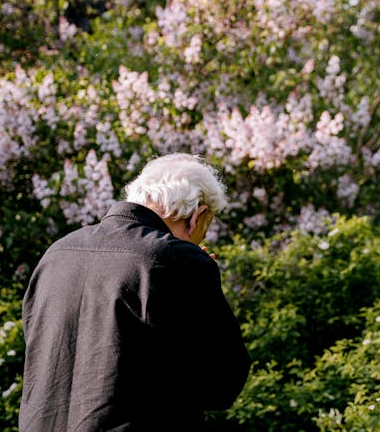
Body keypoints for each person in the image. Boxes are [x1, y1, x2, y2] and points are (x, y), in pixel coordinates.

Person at [20, 153, 250, 431]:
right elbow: (220, 384)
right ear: (197, 216)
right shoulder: (179, 261)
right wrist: (200, 277)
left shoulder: (57, 254)